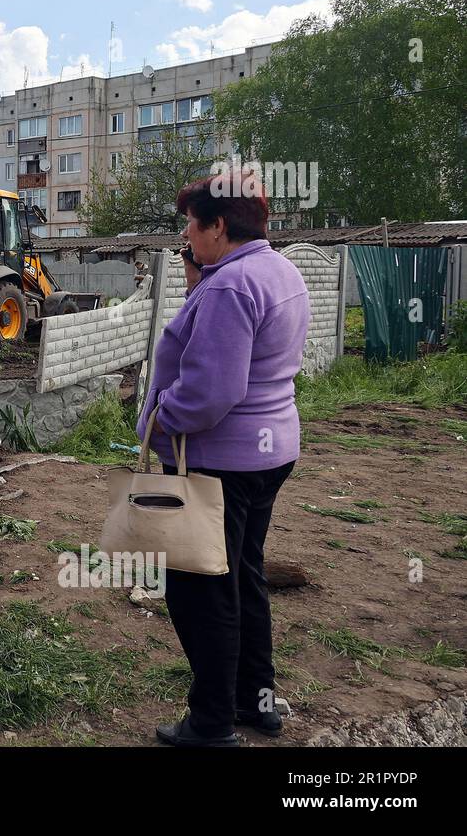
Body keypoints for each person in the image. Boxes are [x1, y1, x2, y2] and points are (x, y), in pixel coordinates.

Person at [139, 172, 310, 748]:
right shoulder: (281, 271)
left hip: (220, 460)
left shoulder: (228, 287)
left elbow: (213, 391)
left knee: (200, 587)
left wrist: (163, 414)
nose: (187, 234)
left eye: (192, 222)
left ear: (218, 226)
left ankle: (211, 723)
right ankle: (255, 701)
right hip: (268, 452)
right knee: (244, 574)